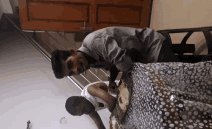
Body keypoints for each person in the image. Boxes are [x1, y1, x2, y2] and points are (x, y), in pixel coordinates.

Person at [51, 27, 179, 91]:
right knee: (154, 90)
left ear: (72, 52)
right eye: (72, 73)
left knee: (171, 85)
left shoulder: (93, 42)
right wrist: (112, 80)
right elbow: (114, 64)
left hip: (152, 48)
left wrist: (126, 84)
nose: (76, 70)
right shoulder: (88, 60)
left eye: (69, 65)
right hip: (143, 60)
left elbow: (124, 62)